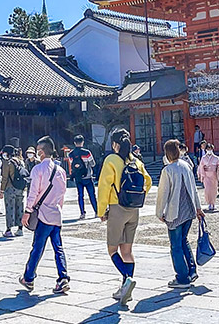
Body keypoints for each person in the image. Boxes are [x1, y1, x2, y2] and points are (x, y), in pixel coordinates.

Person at [95, 129, 153, 304]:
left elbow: (104, 186)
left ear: (115, 144)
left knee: (112, 249)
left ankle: (127, 279)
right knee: (127, 251)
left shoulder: (111, 160)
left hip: (117, 208)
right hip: (133, 210)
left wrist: (101, 211)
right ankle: (125, 288)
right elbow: (148, 182)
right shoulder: (136, 161)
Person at [21, 139, 71, 295]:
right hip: (56, 213)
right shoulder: (61, 171)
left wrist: (28, 210)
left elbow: (33, 192)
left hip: (43, 214)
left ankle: (29, 277)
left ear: (41, 152)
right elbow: (62, 194)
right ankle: (63, 278)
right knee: (58, 248)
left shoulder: (38, 169)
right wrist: (59, 208)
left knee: (37, 247)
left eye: (37, 150)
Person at [158, 139, 207, 289]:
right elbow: (193, 188)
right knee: (184, 240)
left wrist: (160, 212)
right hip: (189, 209)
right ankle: (191, 271)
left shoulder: (168, 170)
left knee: (176, 245)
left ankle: (182, 277)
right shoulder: (186, 166)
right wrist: (198, 208)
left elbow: (163, 193)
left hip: (175, 212)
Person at [1, 142, 31, 238]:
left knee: (10, 208)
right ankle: (20, 229)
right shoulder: (20, 161)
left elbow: (5, 177)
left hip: (10, 188)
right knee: (20, 208)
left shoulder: (8, 163)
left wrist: (1, 190)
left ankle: (9, 229)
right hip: (20, 188)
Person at [68, 135, 96, 220]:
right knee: (92, 195)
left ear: (74, 143)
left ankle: (82, 213)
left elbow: (72, 165)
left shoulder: (71, 154)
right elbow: (93, 164)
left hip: (78, 178)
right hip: (87, 176)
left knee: (80, 195)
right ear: (82, 142)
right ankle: (96, 211)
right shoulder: (87, 152)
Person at [196, 142, 219, 213]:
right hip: (206, 175)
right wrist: (200, 175)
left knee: (214, 190)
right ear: (206, 150)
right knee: (207, 190)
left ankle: (213, 203)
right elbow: (201, 167)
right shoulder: (203, 158)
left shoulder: (216, 158)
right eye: (208, 149)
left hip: (214, 175)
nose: (209, 150)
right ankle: (209, 202)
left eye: (210, 149)